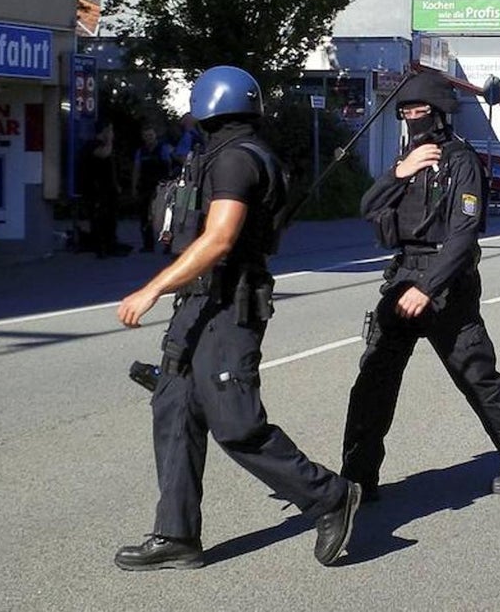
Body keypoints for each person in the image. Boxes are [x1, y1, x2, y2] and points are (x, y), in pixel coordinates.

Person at [114, 66, 360, 571]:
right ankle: (176, 535)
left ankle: (329, 495)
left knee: (236, 423)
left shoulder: (235, 162)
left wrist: (153, 288)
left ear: (205, 106)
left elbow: (221, 239)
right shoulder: (214, 157)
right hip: (199, 305)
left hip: (229, 306)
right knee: (174, 409)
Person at [341, 71, 500, 502]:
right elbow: (367, 207)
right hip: (403, 275)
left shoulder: (462, 161)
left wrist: (429, 287)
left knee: (474, 374)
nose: (412, 118)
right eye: (405, 112)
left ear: (437, 114)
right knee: (374, 379)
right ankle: (358, 478)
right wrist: (400, 172)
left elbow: (464, 235)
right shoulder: (407, 161)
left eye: (418, 111)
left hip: (447, 282)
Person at [81, 119, 126, 258]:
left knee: (111, 219)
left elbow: (112, 167)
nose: (112, 133)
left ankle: (111, 245)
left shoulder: (109, 147)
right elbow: (103, 154)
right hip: (97, 189)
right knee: (100, 219)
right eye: (110, 130)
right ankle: (100, 248)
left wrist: (117, 184)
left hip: (109, 188)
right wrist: (109, 140)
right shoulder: (92, 145)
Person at [130, 124, 172, 252]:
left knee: (165, 217)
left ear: (155, 136)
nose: (149, 138)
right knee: (144, 216)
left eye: (151, 135)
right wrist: (134, 187)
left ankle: (167, 245)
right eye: (146, 136)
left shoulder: (163, 149)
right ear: (143, 137)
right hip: (145, 186)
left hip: (161, 186)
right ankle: (148, 245)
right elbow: (136, 170)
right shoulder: (140, 151)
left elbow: (168, 166)